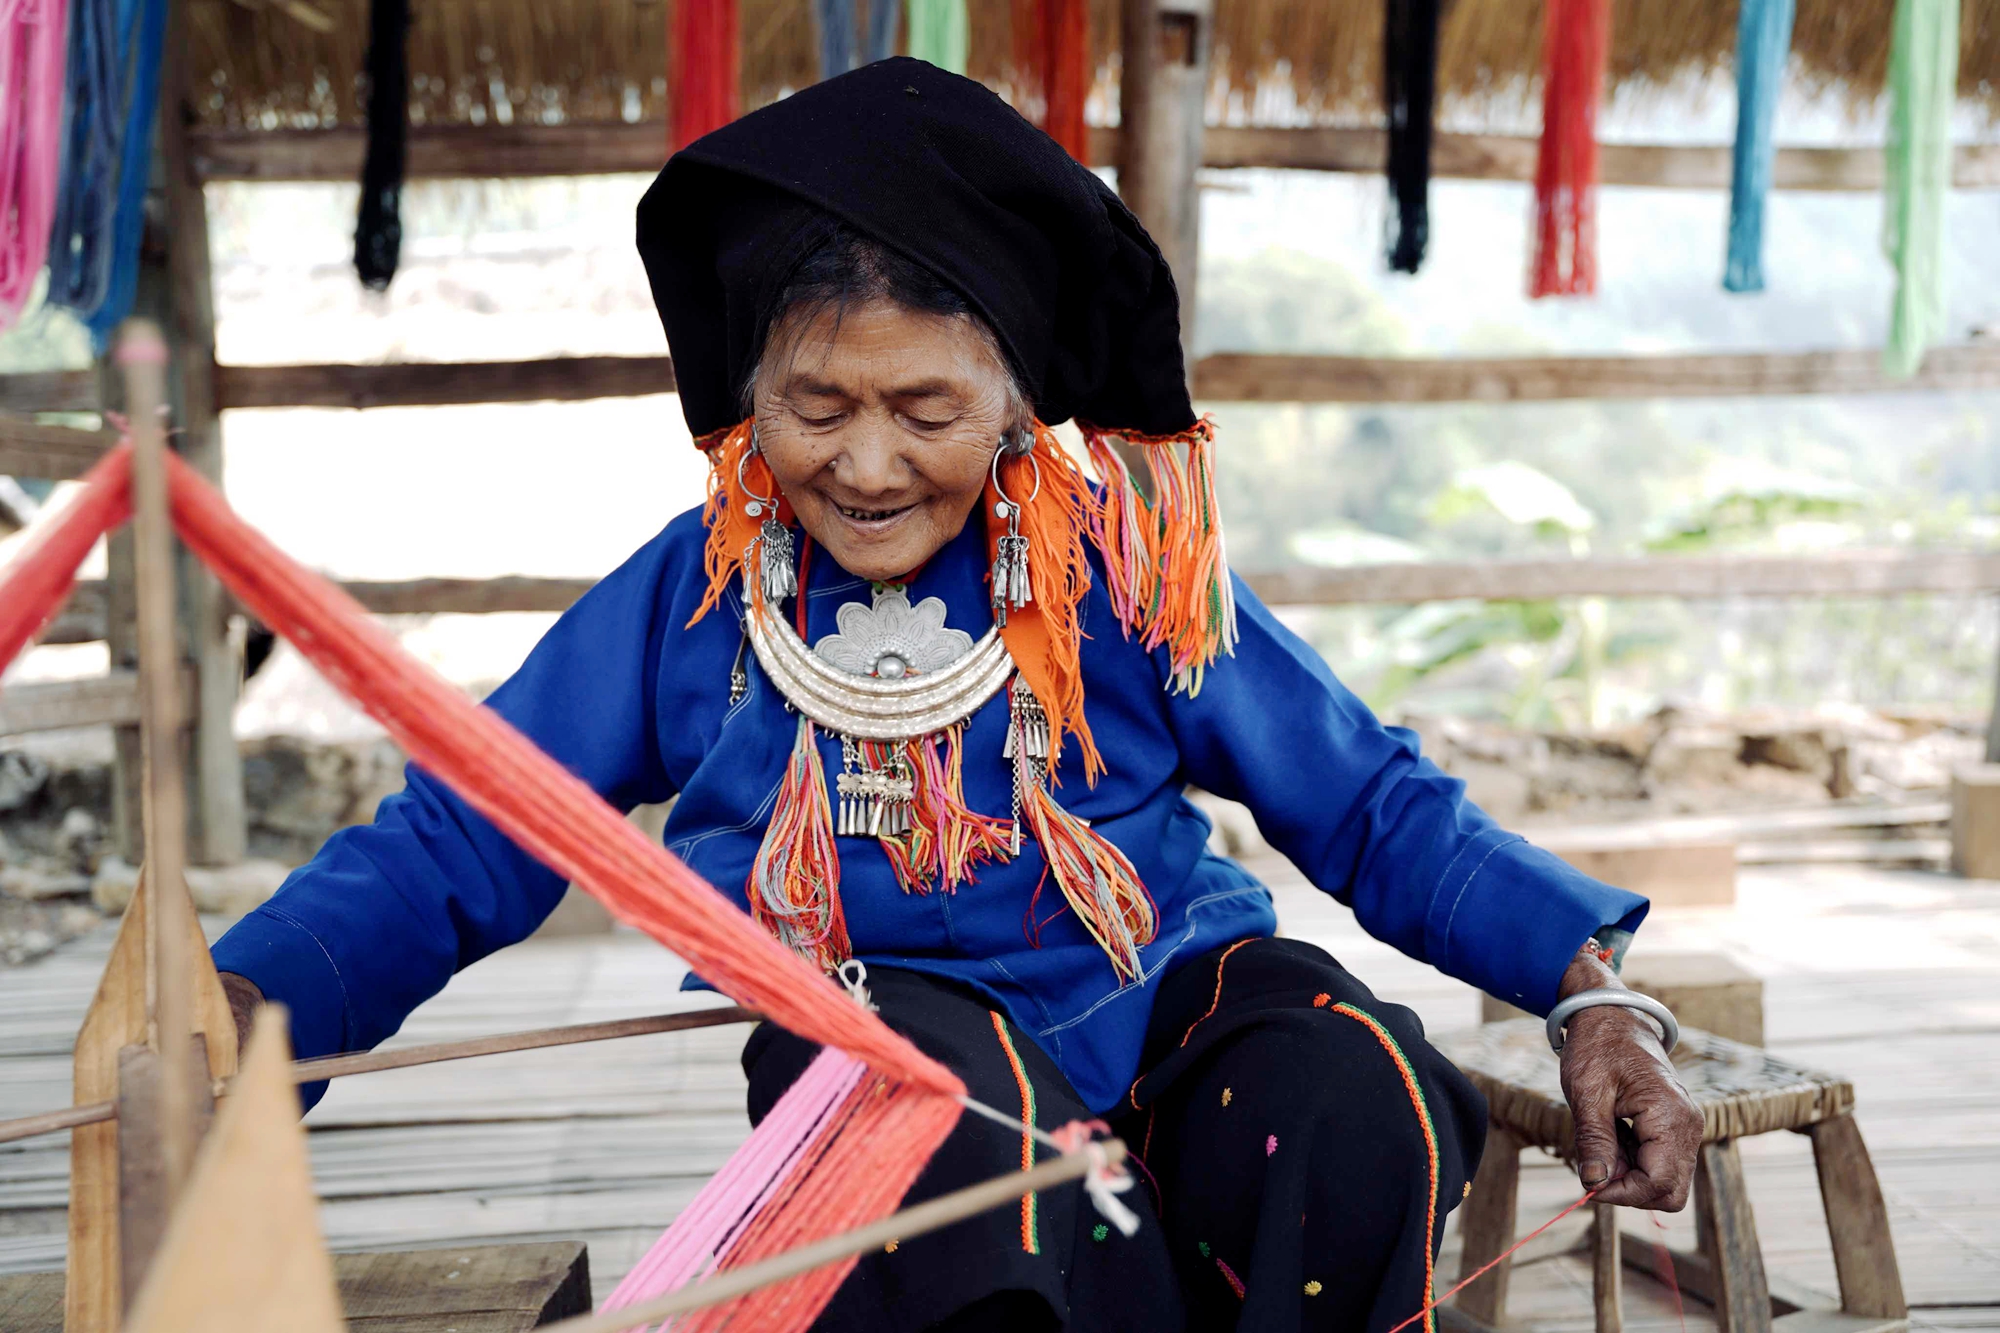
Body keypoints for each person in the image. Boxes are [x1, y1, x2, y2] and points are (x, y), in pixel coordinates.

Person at [211, 58, 1699, 1333]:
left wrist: (1593, 995)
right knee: (922, 1115)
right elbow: (472, 826)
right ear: (750, 395)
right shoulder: (701, 593)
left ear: (1012, 401)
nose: (865, 465)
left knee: (1354, 1081)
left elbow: (1367, 802)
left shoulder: (1121, 565)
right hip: (898, 1055)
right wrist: (259, 1000)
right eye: (814, 406)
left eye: (925, 411)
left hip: (1159, 1004)